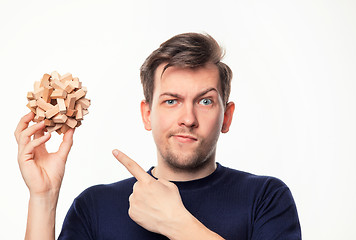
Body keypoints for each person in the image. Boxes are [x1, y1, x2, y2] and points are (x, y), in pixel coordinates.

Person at [15, 32, 301, 240]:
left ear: (226, 116)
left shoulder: (266, 199)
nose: (188, 119)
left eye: (205, 101)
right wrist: (44, 197)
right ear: (146, 114)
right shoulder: (95, 207)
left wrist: (178, 224)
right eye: (171, 101)